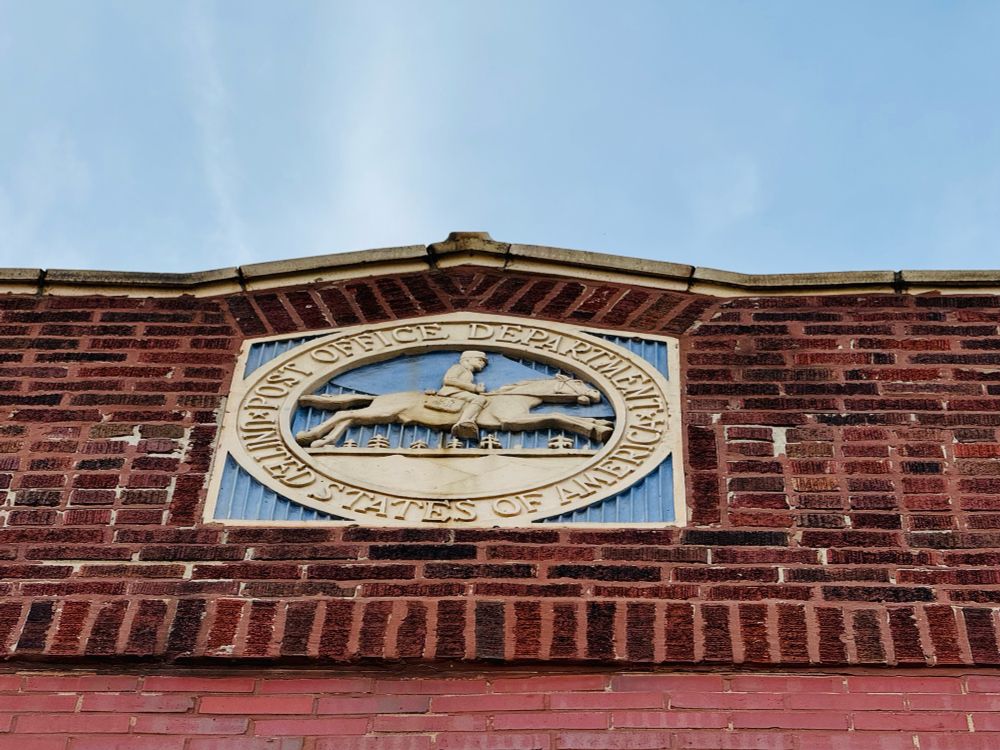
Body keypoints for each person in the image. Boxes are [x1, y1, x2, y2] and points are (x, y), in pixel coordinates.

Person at [438, 351, 488, 439]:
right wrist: (474, 388)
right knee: (479, 399)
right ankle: (464, 422)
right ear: (467, 359)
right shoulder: (458, 367)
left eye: (483, 361)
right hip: (451, 392)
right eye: (480, 360)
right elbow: (449, 380)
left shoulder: (468, 372)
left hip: (458, 392)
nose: (483, 363)